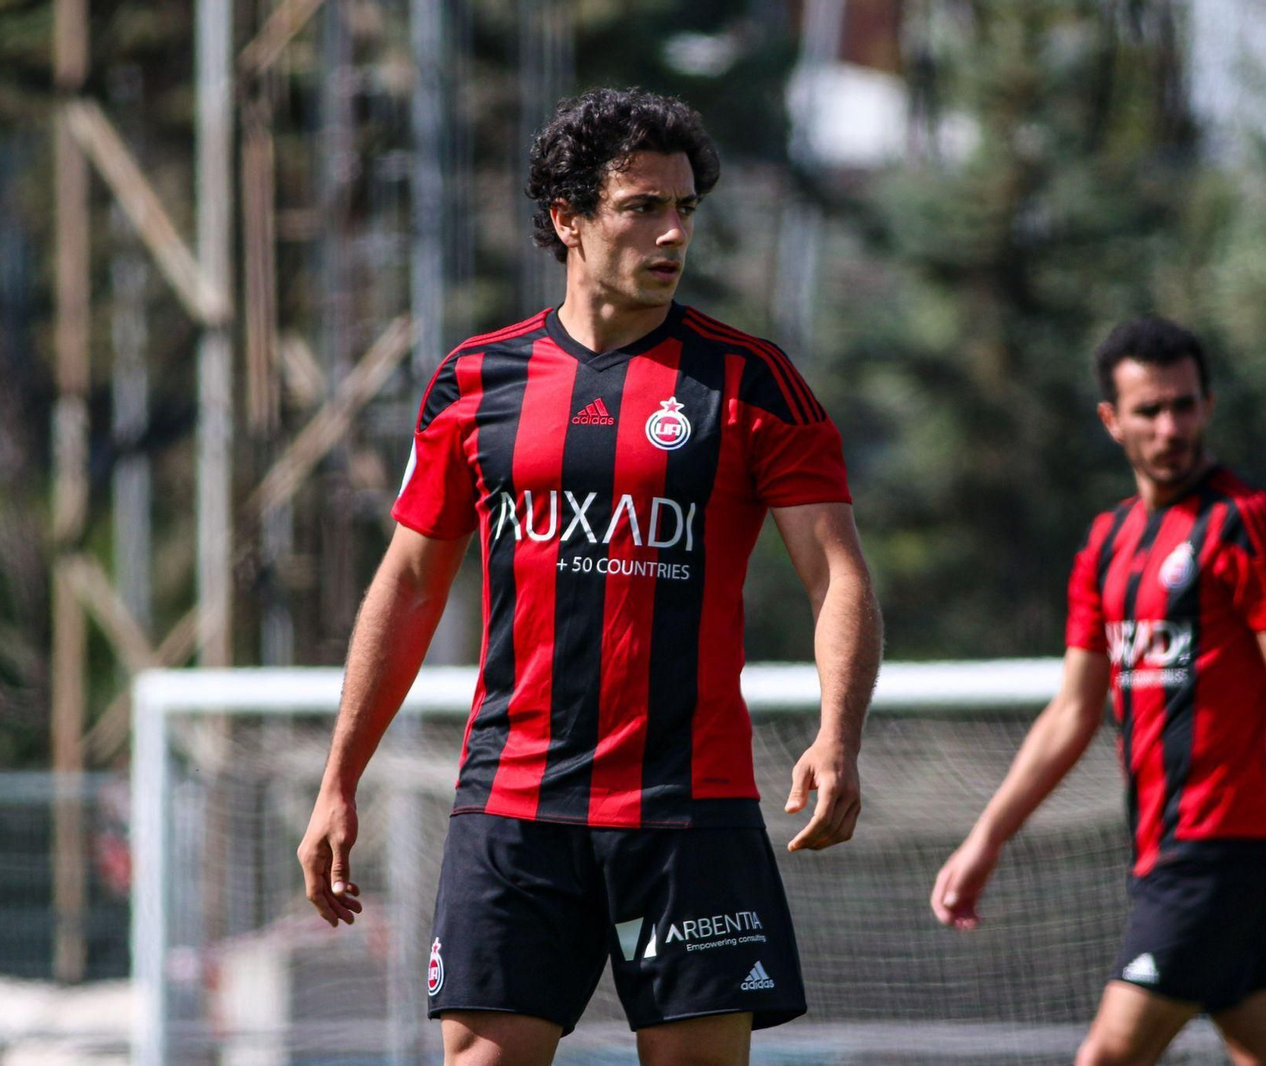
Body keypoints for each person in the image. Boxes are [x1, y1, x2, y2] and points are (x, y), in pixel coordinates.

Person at [298, 87, 882, 1066]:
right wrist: (338, 780)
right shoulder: (472, 383)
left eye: (684, 208)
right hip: (511, 804)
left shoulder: (753, 383)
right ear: (567, 218)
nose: (672, 233)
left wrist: (838, 734)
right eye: (641, 207)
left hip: (686, 807)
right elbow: (407, 588)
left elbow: (837, 576)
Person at [930, 316, 1266, 1066]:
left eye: (1184, 405)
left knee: (1108, 1054)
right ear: (1111, 420)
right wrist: (986, 838)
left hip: (1217, 845)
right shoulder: (1107, 542)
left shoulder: (1245, 522)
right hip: (1160, 845)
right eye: (1149, 410)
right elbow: (1073, 710)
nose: (1170, 427)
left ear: (1208, 405)